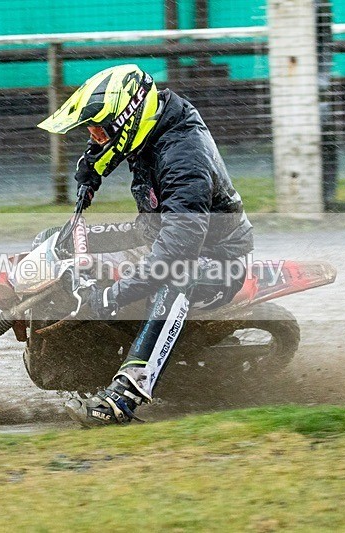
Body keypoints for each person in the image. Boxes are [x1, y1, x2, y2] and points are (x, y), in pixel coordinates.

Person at [37, 64, 254, 426]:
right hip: (157, 232)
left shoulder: (185, 158)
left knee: (176, 278)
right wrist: (91, 168)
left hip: (215, 258)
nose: (95, 137)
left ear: (128, 119)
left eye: (99, 130)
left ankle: (124, 398)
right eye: (92, 131)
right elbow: (112, 141)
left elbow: (176, 252)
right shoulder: (153, 119)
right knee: (58, 238)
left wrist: (111, 297)